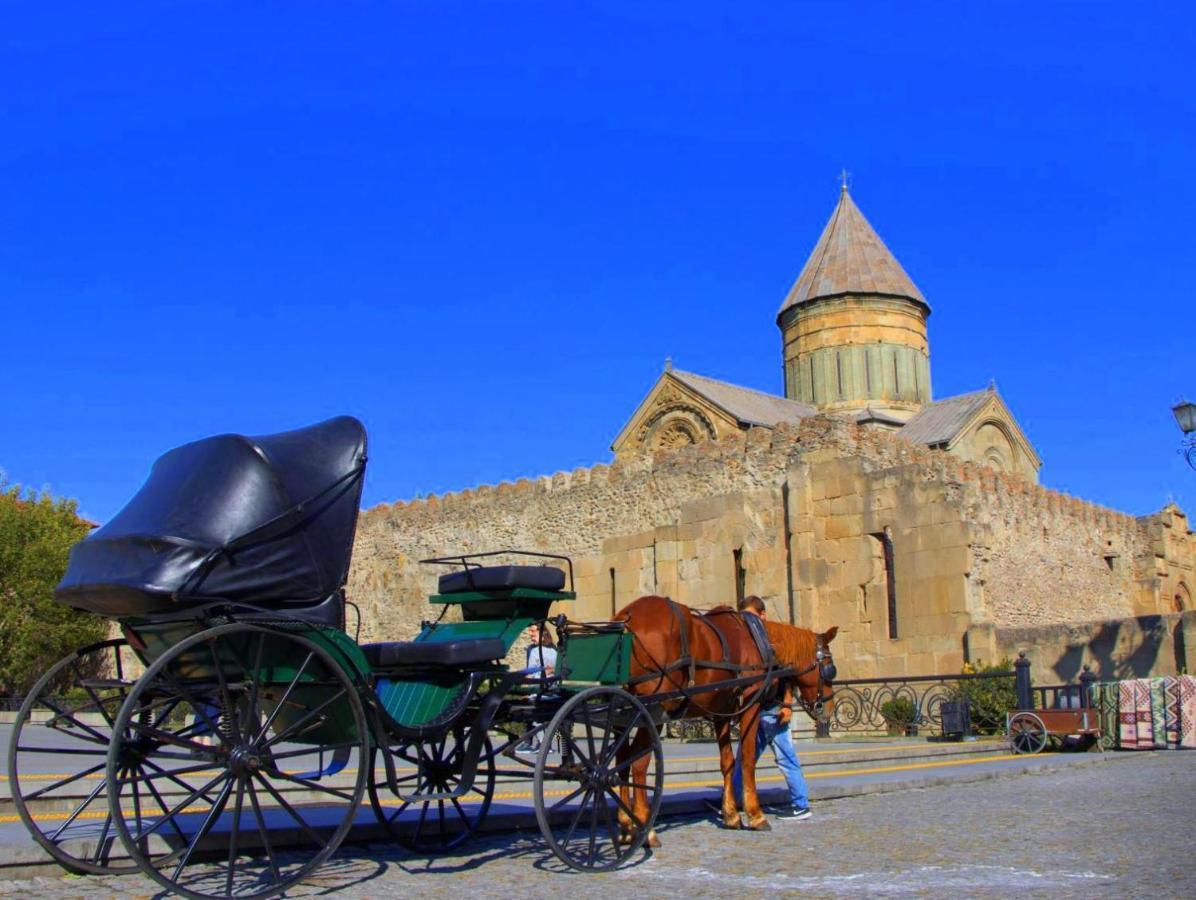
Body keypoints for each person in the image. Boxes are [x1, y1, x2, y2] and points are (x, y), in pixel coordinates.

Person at [731, 596, 812, 821]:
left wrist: (787, 705)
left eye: (751, 616)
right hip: (757, 712)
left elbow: (789, 676)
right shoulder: (753, 643)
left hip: (774, 712)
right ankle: (736, 799)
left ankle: (801, 804)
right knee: (744, 759)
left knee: (787, 759)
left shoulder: (776, 642)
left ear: (763, 615)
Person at [516, 621, 558, 754]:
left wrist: (527, 691)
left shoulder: (534, 651)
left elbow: (532, 675)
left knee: (530, 706)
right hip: (553, 691)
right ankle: (532, 742)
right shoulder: (555, 651)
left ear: (542, 633)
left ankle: (542, 743)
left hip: (540, 691)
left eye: (533, 632)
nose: (530, 634)